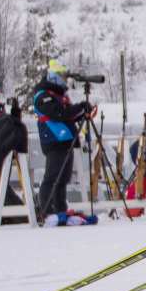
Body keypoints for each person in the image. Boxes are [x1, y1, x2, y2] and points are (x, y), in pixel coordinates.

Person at [31, 60, 95, 224]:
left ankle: (60, 210)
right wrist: (79, 107)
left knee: (63, 179)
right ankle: (46, 211)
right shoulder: (43, 95)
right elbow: (59, 113)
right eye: (61, 76)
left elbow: (68, 115)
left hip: (66, 140)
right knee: (52, 177)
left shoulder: (60, 96)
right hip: (53, 140)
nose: (64, 80)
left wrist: (82, 112)